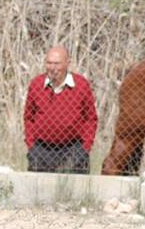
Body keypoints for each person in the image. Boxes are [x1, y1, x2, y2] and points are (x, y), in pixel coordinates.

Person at [23, 46, 97, 174]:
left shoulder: (81, 85)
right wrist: (31, 146)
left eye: (57, 63)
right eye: (49, 63)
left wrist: (85, 147)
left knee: (74, 184)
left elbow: (91, 118)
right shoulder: (36, 84)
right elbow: (29, 117)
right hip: (41, 149)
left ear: (68, 63)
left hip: (73, 148)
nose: (53, 68)